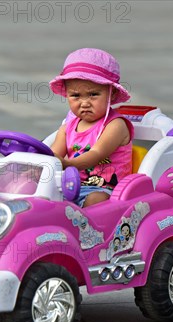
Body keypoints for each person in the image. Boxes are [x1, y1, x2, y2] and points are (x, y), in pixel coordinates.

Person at [49, 48, 134, 207]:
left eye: (93, 94)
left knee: (96, 199)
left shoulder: (115, 125)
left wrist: (67, 164)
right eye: (75, 96)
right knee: (44, 196)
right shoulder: (67, 128)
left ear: (112, 94)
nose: (85, 102)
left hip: (106, 190)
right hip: (70, 187)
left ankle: (86, 231)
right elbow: (52, 154)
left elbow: (96, 153)